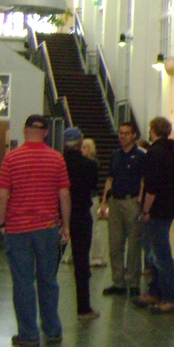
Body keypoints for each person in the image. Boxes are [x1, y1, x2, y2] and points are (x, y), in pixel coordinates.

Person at [0, 114, 71, 347]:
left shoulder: (12, 158)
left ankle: (28, 333)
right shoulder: (57, 159)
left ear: (25, 129)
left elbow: (2, 194)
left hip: (18, 228)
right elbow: (64, 195)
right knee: (48, 279)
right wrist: (65, 225)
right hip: (47, 228)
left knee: (23, 281)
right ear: (46, 132)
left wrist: (1, 223)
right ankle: (53, 329)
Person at [132, 117, 174, 314]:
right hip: (168, 206)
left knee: (160, 254)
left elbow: (151, 185)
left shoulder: (154, 154)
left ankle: (170, 297)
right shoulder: (173, 153)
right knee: (158, 252)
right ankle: (155, 291)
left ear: (152, 129)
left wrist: (145, 210)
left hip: (156, 208)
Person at [98, 122, 146, 296]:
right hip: (115, 202)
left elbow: (143, 180)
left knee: (134, 245)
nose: (122, 136)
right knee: (115, 244)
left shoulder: (140, 156)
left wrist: (140, 201)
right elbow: (110, 178)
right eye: (120, 133)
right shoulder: (115, 155)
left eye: (126, 133)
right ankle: (118, 282)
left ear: (134, 136)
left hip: (131, 201)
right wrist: (104, 201)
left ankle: (133, 282)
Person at [62, 127, 100, 321]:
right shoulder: (90, 165)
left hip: (58, 217)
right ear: (80, 143)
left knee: (49, 264)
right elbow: (93, 186)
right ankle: (83, 308)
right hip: (81, 215)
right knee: (81, 262)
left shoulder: (57, 163)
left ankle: (47, 312)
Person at [82, 138, 108, 267]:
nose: (82, 150)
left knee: (94, 227)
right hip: (84, 197)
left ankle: (98, 256)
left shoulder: (93, 164)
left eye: (85, 148)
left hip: (91, 197)